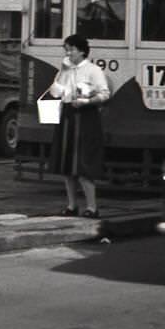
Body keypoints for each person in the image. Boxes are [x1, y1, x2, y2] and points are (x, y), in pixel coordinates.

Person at [45, 33, 110, 217]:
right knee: (67, 165)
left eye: (71, 49)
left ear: (81, 51)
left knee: (83, 164)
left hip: (86, 117)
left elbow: (105, 94)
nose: (68, 53)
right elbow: (55, 92)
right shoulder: (65, 70)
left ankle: (92, 207)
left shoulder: (93, 70)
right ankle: (72, 205)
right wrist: (63, 72)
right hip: (67, 116)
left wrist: (86, 101)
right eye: (66, 49)